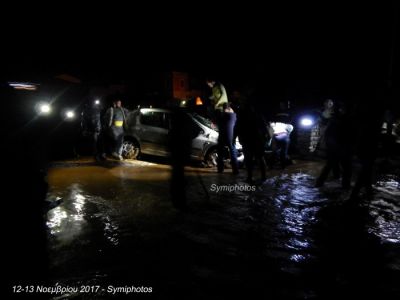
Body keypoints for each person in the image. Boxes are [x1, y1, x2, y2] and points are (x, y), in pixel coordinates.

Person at [236, 102, 268, 183]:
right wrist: (265, 137)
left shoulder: (241, 115)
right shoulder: (257, 115)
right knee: (260, 158)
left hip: (247, 140)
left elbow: (237, 127)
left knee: (248, 159)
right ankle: (263, 177)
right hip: (257, 139)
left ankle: (250, 177)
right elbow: (265, 127)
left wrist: (237, 137)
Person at [216, 103, 239, 174]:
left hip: (222, 136)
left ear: (224, 108)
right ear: (229, 108)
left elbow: (217, 122)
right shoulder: (234, 116)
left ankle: (220, 169)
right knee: (232, 151)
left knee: (220, 153)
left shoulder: (221, 115)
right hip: (231, 136)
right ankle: (235, 170)